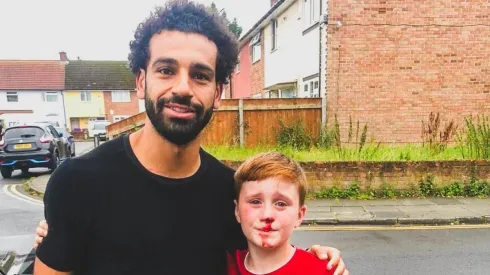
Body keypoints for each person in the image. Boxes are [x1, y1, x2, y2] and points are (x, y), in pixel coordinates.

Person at [33, 1, 349, 275]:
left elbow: (267, 258)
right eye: (166, 70)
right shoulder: (77, 183)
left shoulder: (230, 194)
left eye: (200, 75)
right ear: (142, 82)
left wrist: (317, 260)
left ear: (218, 93)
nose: (183, 88)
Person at [227, 152, 337, 275]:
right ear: (237, 210)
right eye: (255, 201)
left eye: (281, 204)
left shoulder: (323, 271)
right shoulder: (220, 265)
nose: (267, 215)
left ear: (299, 215)